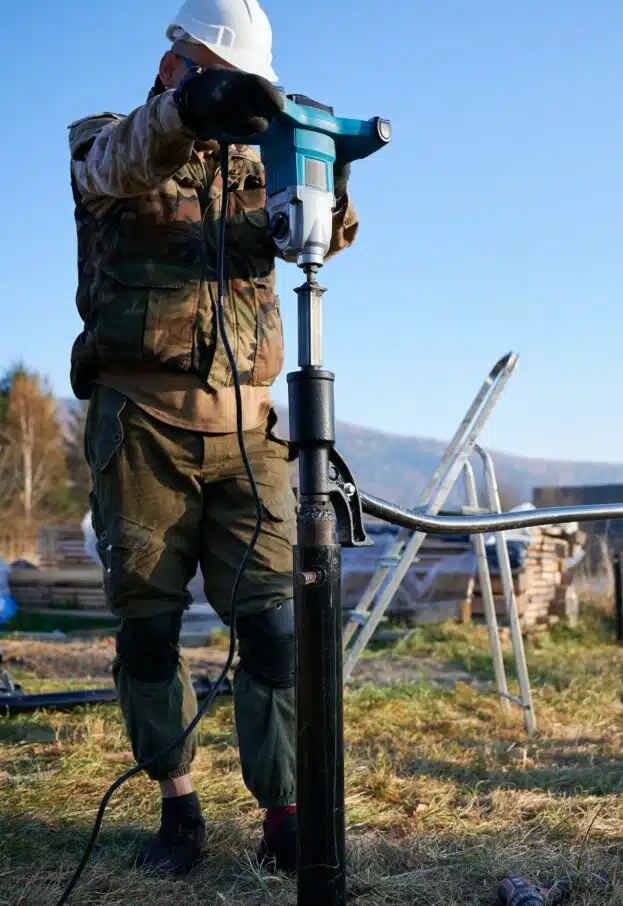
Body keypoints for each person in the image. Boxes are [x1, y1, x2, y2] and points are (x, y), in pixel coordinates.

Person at [67, 0, 359, 876]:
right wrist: (193, 114)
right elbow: (118, 166)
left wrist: (318, 158)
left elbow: (333, 236)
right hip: (143, 430)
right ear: (173, 68)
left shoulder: (257, 159)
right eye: (213, 76)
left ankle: (285, 813)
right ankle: (177, 806)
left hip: (251, 427)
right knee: (149, 632)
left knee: (275, 631)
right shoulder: (105, 139)